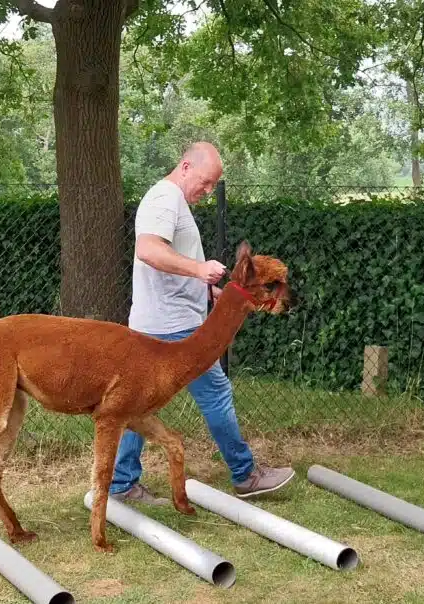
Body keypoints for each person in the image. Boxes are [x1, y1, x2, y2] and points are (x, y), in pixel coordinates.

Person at [109, 141, 295, 504]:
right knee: (216, 393)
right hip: (174, 326)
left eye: (213, 185)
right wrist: (199, 269)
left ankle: (120, 484)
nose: (208, 191)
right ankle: (246, 474)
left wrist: (204, 290)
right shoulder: (164, 199)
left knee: (139, 404)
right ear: (185, 167)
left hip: (157, 321)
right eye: (205, 182)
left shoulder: (172, 201)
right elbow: (148, 250)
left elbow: (166, 264)